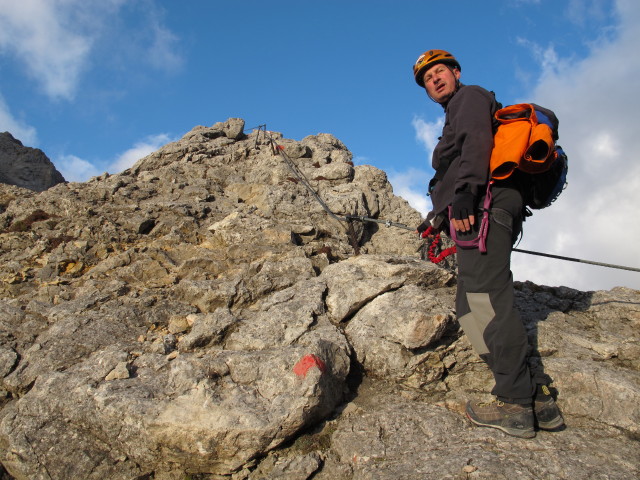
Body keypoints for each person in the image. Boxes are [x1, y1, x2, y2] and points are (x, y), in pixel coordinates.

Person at [413, 49, 564, 438]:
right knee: (469, 306)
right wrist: (441, 214)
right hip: (481, 206)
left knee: (486, 299)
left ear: (456, 73)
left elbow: (478, 141)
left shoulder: (470, 97)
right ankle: (538, 398)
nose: (435, 80)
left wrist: (464, 193)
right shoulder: (457, 111)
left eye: (440, 72)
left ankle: (514, 403)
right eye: (428, 79)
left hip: (485, 204)